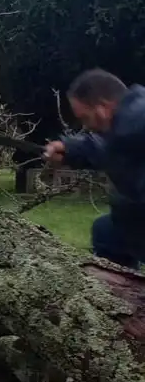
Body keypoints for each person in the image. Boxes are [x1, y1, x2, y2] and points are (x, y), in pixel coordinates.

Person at [44, 69, 145, 268]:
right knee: (106, 232)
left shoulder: (136, 120)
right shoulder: (125, 125)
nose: (87, 126)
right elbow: (109, 149)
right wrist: (69, 149)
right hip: (133, 223)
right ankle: (123, 293)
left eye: (85, 118)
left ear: (103, 107)